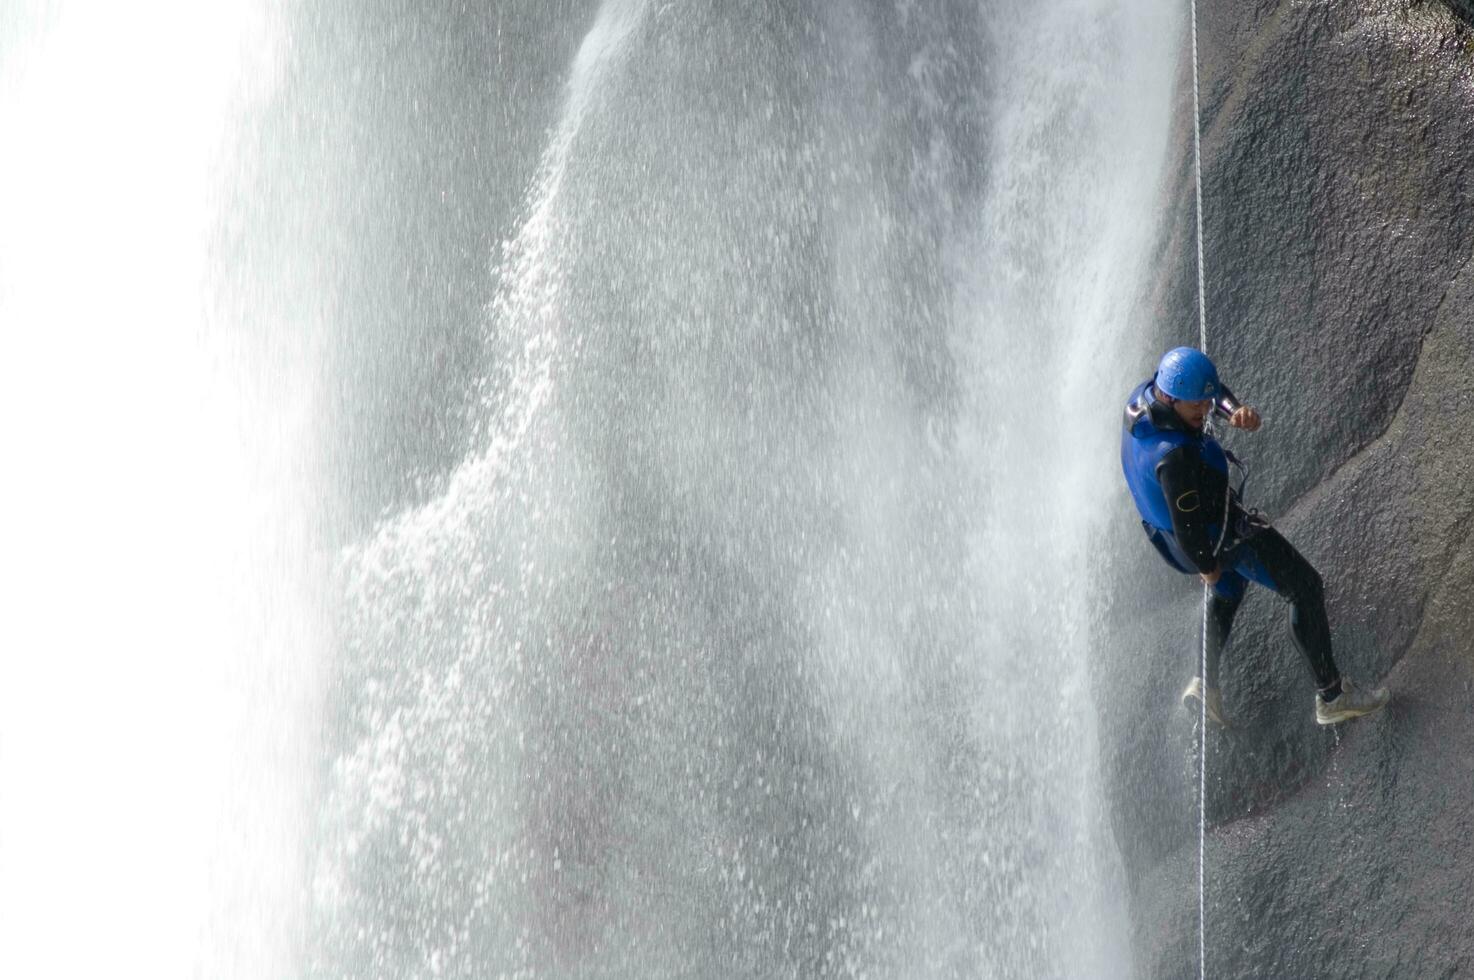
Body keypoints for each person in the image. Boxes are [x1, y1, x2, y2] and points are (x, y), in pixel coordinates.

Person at [1120, 346, 1389, 726]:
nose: (1203, 411)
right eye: (1196, 406)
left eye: (1206, 402)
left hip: (1164, 537)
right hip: (1210, 537)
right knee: (1305, 587)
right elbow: (1189, 524)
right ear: (1170, 397)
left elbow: (1204, 389)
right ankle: (1333, 696)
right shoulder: (1173, 459)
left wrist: (1234, 410)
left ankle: (1204, 685)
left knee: (1230, 588)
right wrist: (1208, 564)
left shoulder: (1144, 397)